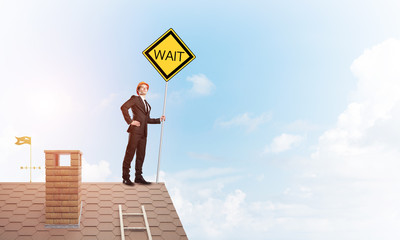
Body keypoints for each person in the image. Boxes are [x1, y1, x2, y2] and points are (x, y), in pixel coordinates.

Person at [121, 81, 166, 186]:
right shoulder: (135, 99)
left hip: (144, 133)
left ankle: (138, 177)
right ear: (138, 90)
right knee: (130, 153)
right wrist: (130, 121)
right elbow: (123, 107)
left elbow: (147, 120)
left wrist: (159, 119)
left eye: (146, 88)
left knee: (141, 155)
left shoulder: (147, 104)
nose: (145, 89)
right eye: (142, 88)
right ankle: (126, 177)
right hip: (135, 131)